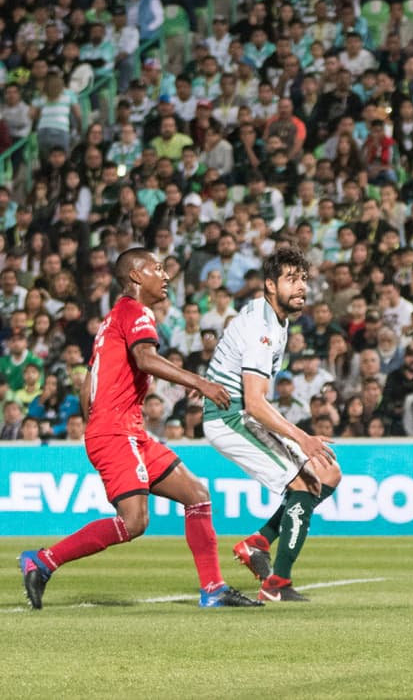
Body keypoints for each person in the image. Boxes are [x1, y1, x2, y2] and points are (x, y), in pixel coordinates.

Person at [18, 249, 260, 610]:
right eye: (157, 268)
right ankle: (43, 561)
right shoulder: (135, 311)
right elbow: (145, 359)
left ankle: (213, 589)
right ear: (135, 276)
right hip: (117, 432)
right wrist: (202, 383)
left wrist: (96, 425)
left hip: (124, 431)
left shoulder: (112, 320)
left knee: (197, 495)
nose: (165, 276)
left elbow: (89, 383)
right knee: (133, 522)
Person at [202, 249, 341, 603]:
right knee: (302, 481)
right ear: (269, 284)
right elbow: (253, 401)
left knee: (328, 474)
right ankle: (277, 582)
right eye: (291, 279)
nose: (301, 287)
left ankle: (259, 542)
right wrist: (301, 437)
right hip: (229, 417)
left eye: (303, 280)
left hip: (245, 412)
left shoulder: (276, 319)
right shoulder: (261, 328)